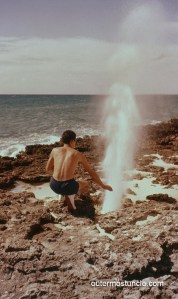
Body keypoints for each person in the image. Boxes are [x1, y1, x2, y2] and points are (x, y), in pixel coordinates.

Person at [46, 130, 112, 211]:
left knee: (66, 181)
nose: (75, 143)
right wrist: (103, 185)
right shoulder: (78, 154)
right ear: (72, 141)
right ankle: (71, 200)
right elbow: (91, 173)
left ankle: (62, 195)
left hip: (54, 185)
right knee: (85, 184)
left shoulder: (54, 150)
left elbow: (48, 169)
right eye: (75, 141)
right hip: (68, 187)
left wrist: (59, 175)